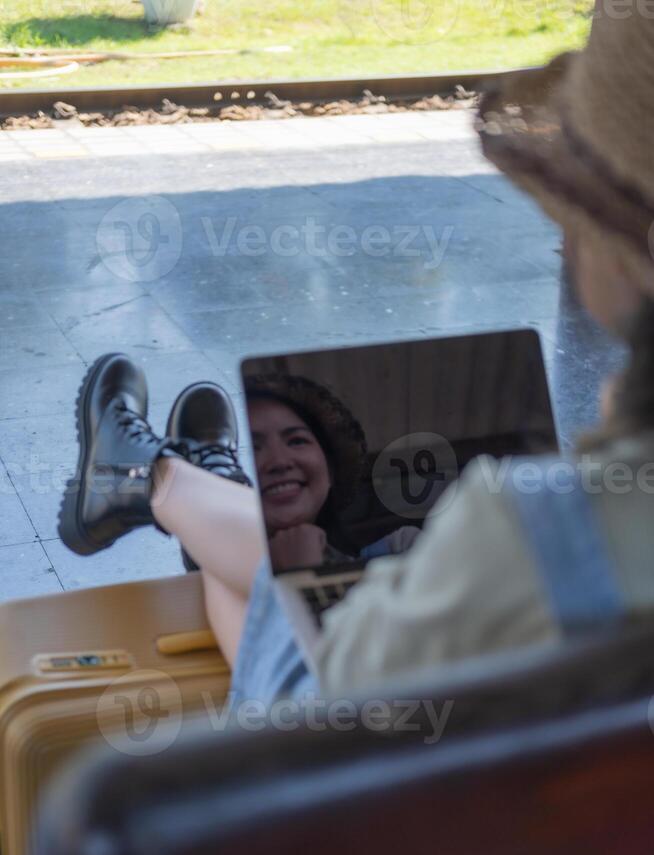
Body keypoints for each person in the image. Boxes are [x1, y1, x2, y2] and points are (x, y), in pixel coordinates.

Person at [59, 3, 654, 699]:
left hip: (351, 768)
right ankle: (182, 487)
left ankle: (159, 479)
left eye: (574, 208)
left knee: (278, 593)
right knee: (282, 573)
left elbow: (332, 719)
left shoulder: (537, 529)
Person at [58, 367, 416, 702]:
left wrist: (306, 575)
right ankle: (202, 501)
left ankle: (160, 480)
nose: (278, 461)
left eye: (296, 441)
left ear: (331, 467)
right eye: (255, 447)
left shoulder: (405, 546)